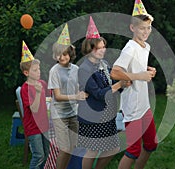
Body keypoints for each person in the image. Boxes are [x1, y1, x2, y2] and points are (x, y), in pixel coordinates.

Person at [77, 16, 130, 169]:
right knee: (92, 150)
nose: (103, 50)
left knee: (112, 148)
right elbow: (99, 94)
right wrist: (118, 84)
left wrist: (123, 84)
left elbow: (111, 85)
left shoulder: (104, 64)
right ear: (89, 49)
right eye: (98, 48)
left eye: (103, 47)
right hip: (92, 115)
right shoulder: (84, 69)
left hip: (107, 114)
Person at [110, 0, 158, 168]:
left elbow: (134, 67)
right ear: (132, 28)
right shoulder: (129, 48)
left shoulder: (145, 46)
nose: (146, 32)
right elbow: (115, 72)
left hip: (144, 104)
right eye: (142, 28)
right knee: (133, 151)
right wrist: (139, 75)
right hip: (132, 107)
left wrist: (146, 70)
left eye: (148, 27)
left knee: (151, 144)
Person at [48, 23, 88, 169]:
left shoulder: (76, 69)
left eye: (65, 54)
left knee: (72, 146)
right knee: (64, 148)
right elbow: (57, 96)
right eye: (59, 54)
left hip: (73, 113)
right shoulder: (54, 71)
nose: (62, 57)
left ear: (70, 54)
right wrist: (76, 97)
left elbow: (80, 87)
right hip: (59, 114)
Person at [20, 40, 50, 169]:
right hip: (33, 127)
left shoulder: (42, 83)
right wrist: (38, 93)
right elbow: (34, 108)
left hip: (44, 124)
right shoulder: (25, 89)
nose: (38, 72)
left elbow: (50, 98)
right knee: (38, 155)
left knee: (46, 154)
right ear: (26, 73)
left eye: (38, 69)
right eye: (35, 70)